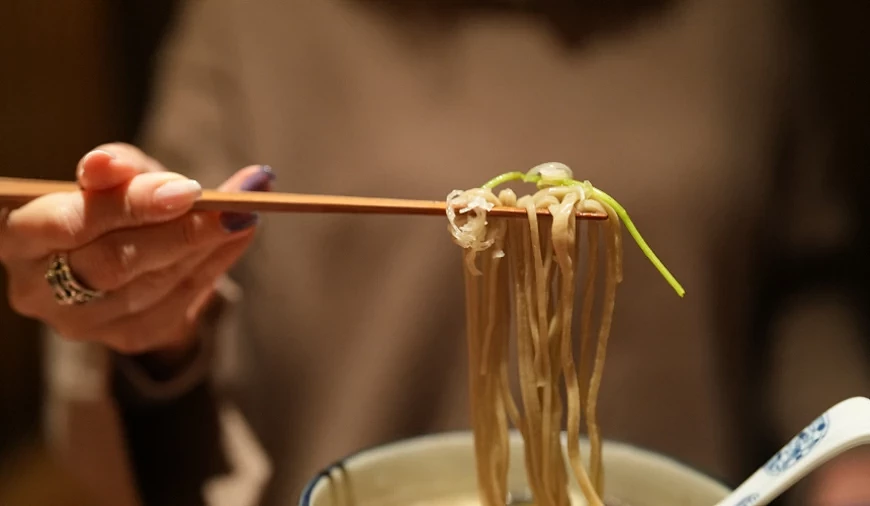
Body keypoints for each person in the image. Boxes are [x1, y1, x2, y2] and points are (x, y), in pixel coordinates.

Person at [2, 1, 869, 505]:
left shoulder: (744, 25)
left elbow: (798, 282)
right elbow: (169, 369)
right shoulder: (252, 23)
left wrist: (847, 462)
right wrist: (145, 317)